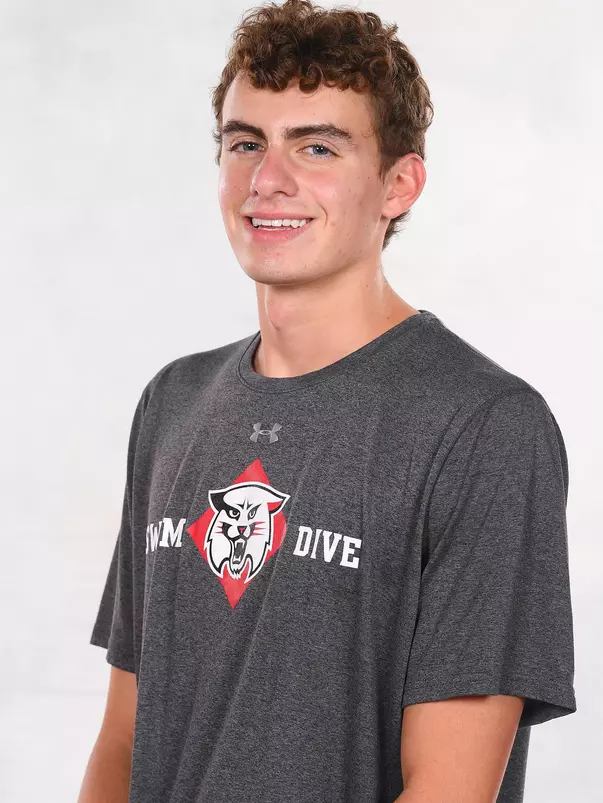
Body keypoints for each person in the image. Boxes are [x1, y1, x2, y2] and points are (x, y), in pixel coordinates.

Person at [77, 1, 577, 801]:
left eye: (315, 146)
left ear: (399, 183)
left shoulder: (484, 426)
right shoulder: (172, 404)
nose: (266, 180)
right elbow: (122, 745)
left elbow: (447, 788)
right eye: (245, 143)